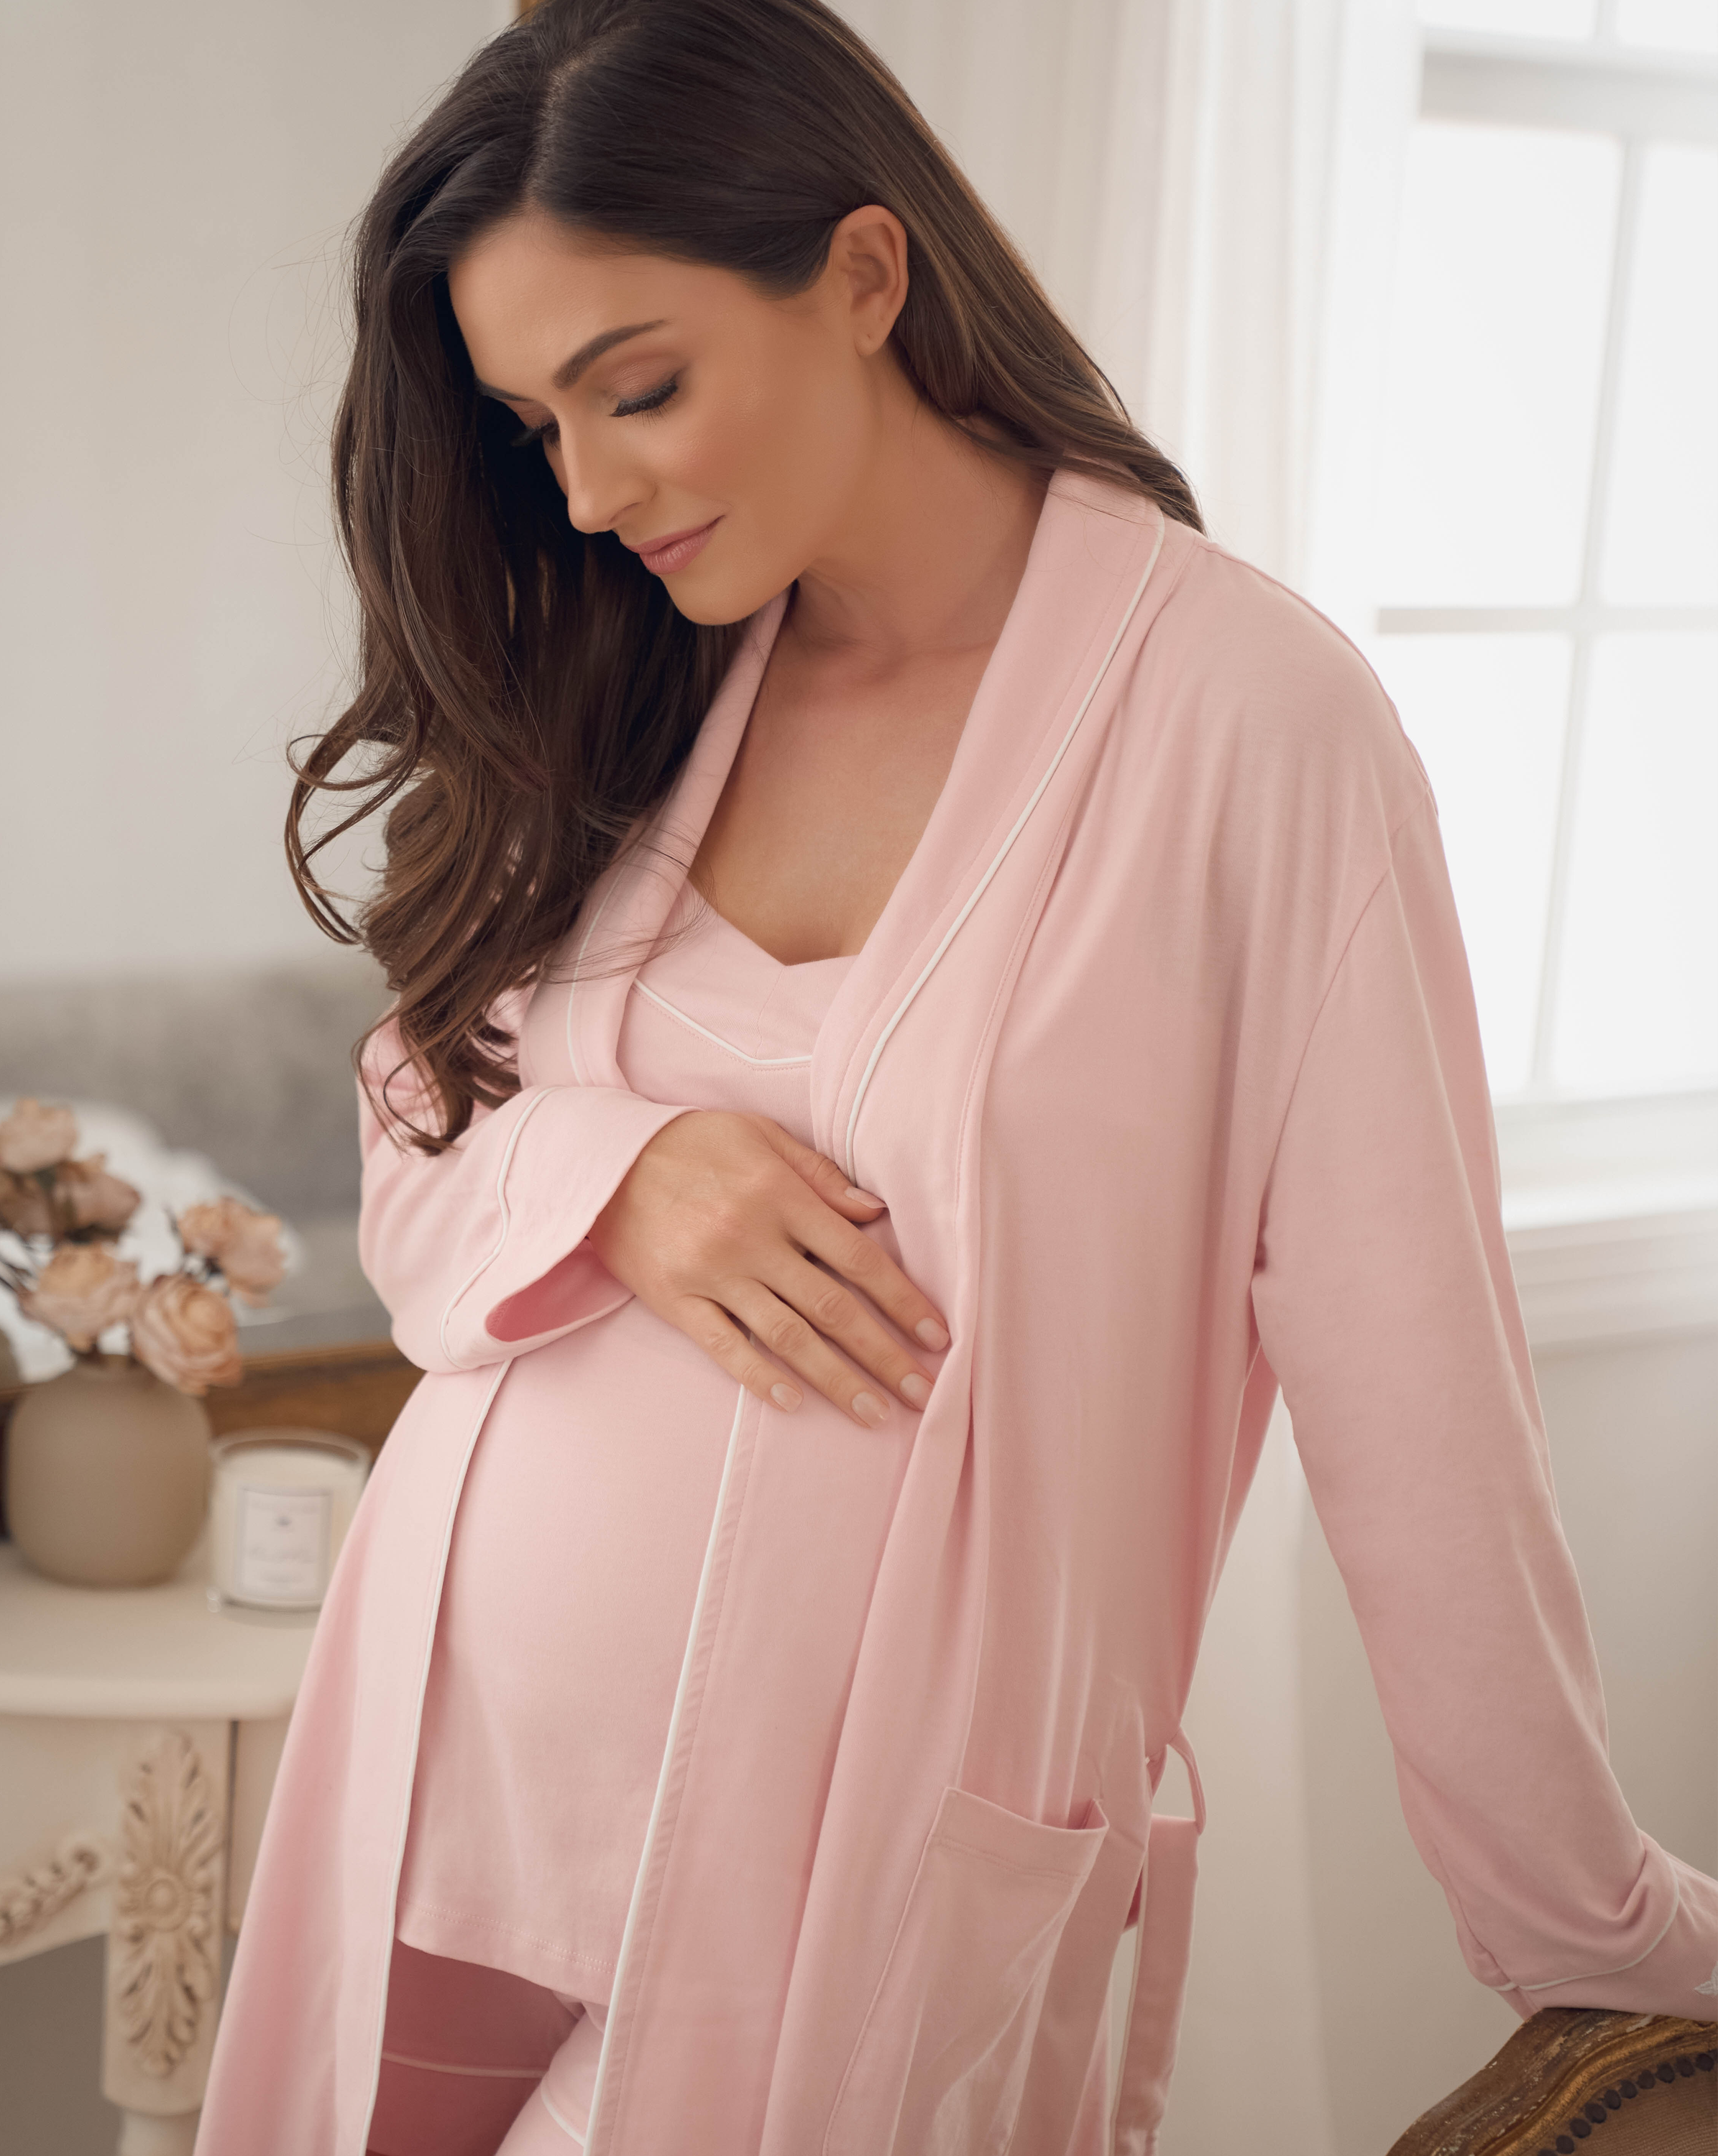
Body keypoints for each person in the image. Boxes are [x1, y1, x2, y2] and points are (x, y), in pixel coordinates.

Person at [196, 2, 1718, 2152]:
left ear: (866, 275)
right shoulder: (626, 662)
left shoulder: (1250, 725)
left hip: (862, 1859)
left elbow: (1421, 1402)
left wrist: (1599, 1928)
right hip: (447, 1768)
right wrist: (623, 1174)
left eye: (641, 388)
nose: (592, 485)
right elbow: (424, 1159)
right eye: (541, 424)